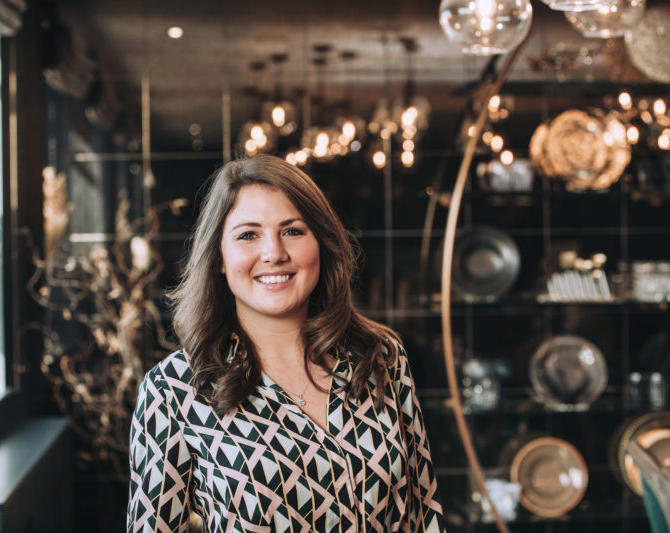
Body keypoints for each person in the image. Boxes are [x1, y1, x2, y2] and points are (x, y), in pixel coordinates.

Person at [127, 154, 445, 533]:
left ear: (322, 245)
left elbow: (423, 515)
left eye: (293, 230)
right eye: (248, 235)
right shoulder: (173, 390)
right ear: (219, 259)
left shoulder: (381, 356)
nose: (274, 253)